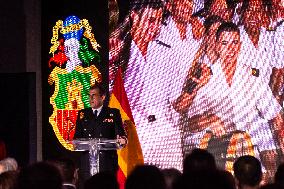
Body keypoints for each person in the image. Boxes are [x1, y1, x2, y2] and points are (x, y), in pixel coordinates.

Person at [173, 22, 284, 180]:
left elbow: (274, 115)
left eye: (234, 43)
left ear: (240, 45)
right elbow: (190, 124)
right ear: (217, 45)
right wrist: (209, 120)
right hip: (214, 157)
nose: (230, 49)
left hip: (247, 157)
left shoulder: (251, 76)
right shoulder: (205, 76)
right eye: (225, 43)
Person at [74, 83, 127, 175]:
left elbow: (121, 134)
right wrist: (75, 142)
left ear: (102, 97)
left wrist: (123, 140)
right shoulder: (82, 114)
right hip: (87, 163)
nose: (90, 99)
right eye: (89, 96)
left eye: (93, 95)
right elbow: (77, 137)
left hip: (107, 163)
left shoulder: (113, 113)